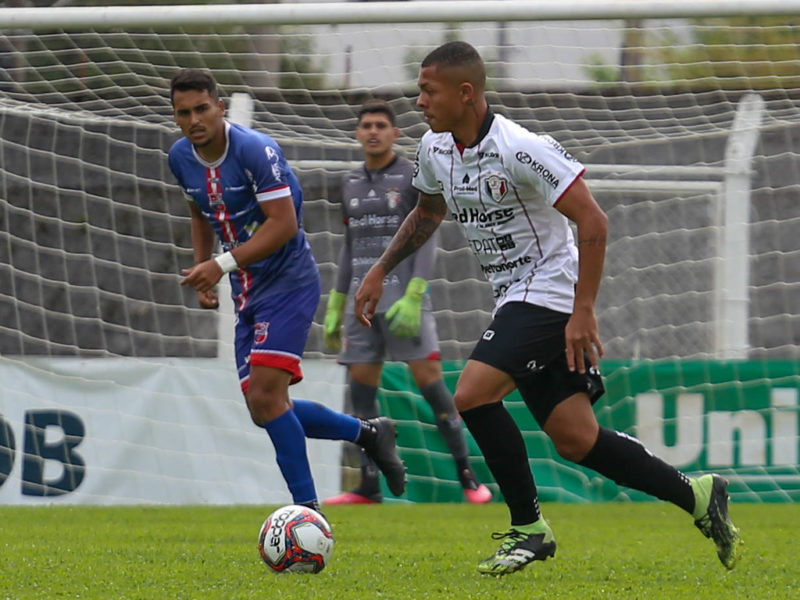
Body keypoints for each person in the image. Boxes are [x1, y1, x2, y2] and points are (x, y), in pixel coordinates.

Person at [354, 42, 742, 574]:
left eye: (428, 90)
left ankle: (529, 529)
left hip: (552, 292)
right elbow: (427, 211)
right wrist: (381, 268)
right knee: (576, 439)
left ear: (465, 93)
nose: (418, 101)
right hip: (516, 296)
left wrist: (583, 310)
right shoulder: (434, 148)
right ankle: (698, 495)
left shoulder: (521, 148)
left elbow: (595, 222)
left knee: (471, 394)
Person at [167, 69, 406, 513]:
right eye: (185, 112)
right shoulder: (181, 157)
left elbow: (284, 223)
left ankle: (307, 515)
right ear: (176, 117)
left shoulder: (257, 150)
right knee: (265, 408)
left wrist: (219, 264)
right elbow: (199, 212)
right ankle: (368, 434)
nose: (195, 118)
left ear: (220, 107)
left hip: (289, 281)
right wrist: (206, 267)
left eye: (203, 108)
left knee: (265, 397)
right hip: (246, 288)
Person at [322, 100, 491, 505]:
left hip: (403, 301)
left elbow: (426, 234)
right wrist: (336, 302)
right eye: (366, 125)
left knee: (432, 387)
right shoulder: (349, 183)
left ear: (395, 134)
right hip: (362, 306)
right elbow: (350, 246)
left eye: (381, 125)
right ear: (358, 134)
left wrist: (416, 292)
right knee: (360, 395)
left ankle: (468, 479)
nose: (373, 131)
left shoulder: (411, 175)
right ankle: (368, 485)